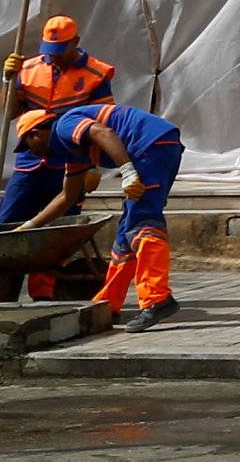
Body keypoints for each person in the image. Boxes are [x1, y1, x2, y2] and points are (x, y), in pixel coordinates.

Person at [18, 100, 185, 333]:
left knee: (143, 222)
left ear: (35, 134)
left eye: (26, 145)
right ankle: (109, 302)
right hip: (156, 144)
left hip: (149, 145)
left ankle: (157, 299)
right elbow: (67, 196)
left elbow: (102, 131)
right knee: (126, 231)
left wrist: (127, 171)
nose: (30, 152)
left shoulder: (64, 125)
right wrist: (29, 226)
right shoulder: (71, 150)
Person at [0, 15, 116, 295]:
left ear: (76, 42)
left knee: (58, 233)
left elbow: (103, 123)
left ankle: (44, 293)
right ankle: (3, 289)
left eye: (61, 51)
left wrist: (95, 167)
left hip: (71, 161)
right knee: (8, 222)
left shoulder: (95, 75)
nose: (55, 58)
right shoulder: (28, 69)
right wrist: (7, 79)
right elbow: (9, 113)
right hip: (30, 159)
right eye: (50, 51)